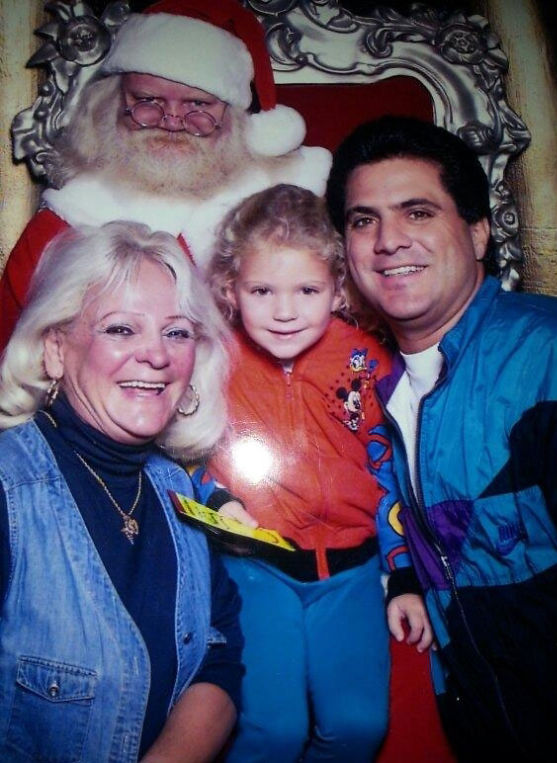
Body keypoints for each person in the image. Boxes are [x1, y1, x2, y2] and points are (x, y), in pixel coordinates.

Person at [325, 114, 557, 762]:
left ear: (478, 231)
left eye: (417, 212)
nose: (388, 241)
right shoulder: (371, 390)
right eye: (363, 220)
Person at [187, 183, 433, 762]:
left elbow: (396, 474)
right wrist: (218, 500)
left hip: (351, 572)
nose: (285, 311)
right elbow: (181, 452)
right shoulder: (212, 359)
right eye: (262, 290)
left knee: (358, 726)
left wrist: (403, 577)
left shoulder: (367, 362)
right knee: (272, 731)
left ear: (337, 288)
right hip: (256, 568)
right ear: (231, 288)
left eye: (307, 289)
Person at [0, 220, 245, 762]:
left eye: (176, 332)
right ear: (55, 349)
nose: (156, 356)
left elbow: (219, 655)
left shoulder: (176, 488)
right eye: (120, 329)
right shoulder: (7, 488)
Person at [0, 0, 331, 352]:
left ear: (233, 116)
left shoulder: (286, 210)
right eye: (148, 100)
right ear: (112, 105)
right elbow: (13, 357)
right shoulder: (66, 219)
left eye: (198, 105)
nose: (172, 122)